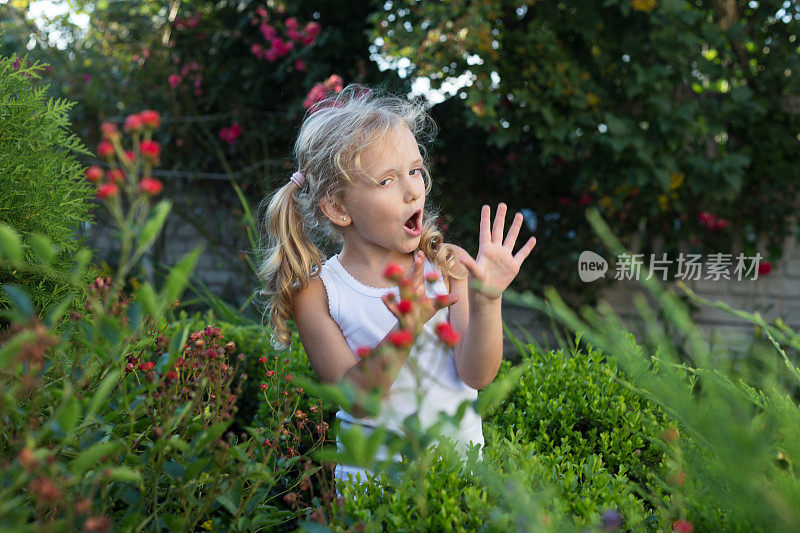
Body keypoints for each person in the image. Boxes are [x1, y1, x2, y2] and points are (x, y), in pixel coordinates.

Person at [256, 85, 537, 498]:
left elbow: (477, 374)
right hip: (372, 493)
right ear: (338, 208)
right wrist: (406, 327)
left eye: (415, 170)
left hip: (457, 482)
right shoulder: (317, 292)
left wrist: (488, 302)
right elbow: (356, 401)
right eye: (387, 180)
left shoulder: (448, 265)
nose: (413, 190)